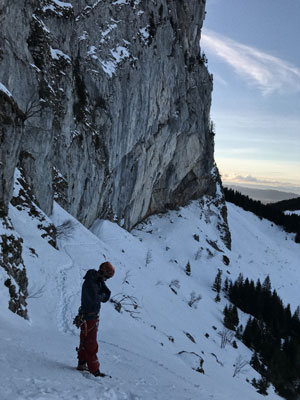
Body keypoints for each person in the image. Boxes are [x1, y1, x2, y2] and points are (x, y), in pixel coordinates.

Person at [76, 261, 115, 376]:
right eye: (107, 276)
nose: (106, 279)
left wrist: (102, 293)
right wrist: (101, 295)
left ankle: (82, 363)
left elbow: (107, 293)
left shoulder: (96, 280)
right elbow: (96, 298)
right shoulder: (91, 282)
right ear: (102, 272)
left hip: (88, 315)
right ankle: (94, 370)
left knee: (85, 340)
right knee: (91, 343)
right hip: (89, 316)